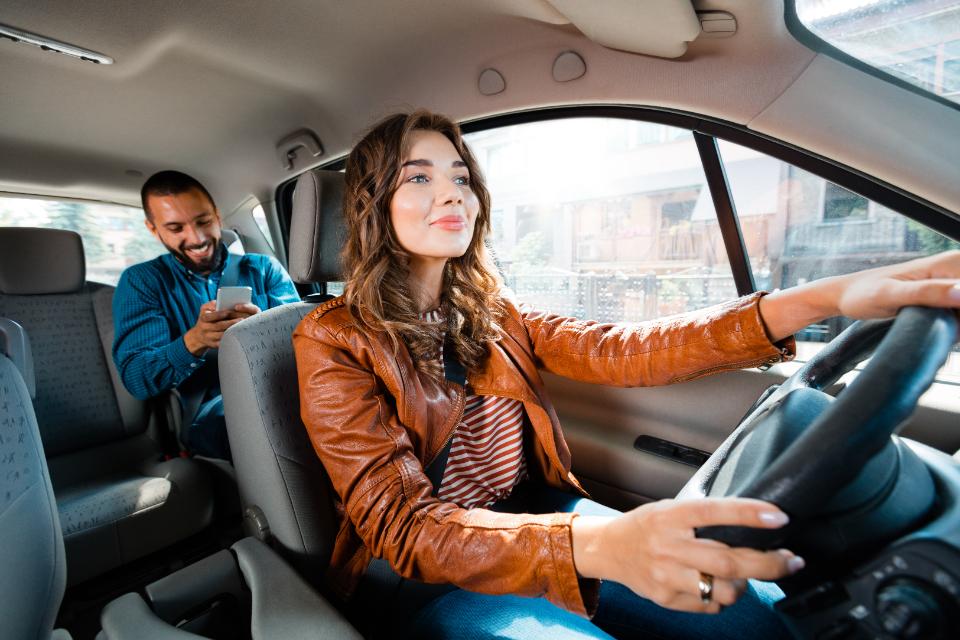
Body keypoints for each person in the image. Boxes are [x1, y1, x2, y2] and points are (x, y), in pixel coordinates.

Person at [292, 111, 960, 639]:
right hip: (430, 578)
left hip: (542, 521)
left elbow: (627, 348)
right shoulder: (331, 337)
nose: (452, 194)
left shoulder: (491, 310)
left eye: (461, 176)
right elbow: (406, 529)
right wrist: (601, 543)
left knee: (753, 621)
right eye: (418, 177)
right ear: (373, 204)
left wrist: (821, 299)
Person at [114, 170, 300, 460]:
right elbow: (138, 378)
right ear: (153, 230)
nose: (197, 238)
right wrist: (194, 341)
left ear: (217, 215)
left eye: (203, 222)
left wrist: (262, 329)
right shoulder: (142, 282)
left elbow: (304, 345)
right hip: (209, 413)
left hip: (283, 390)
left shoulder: (264, 269)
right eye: (176, 228)